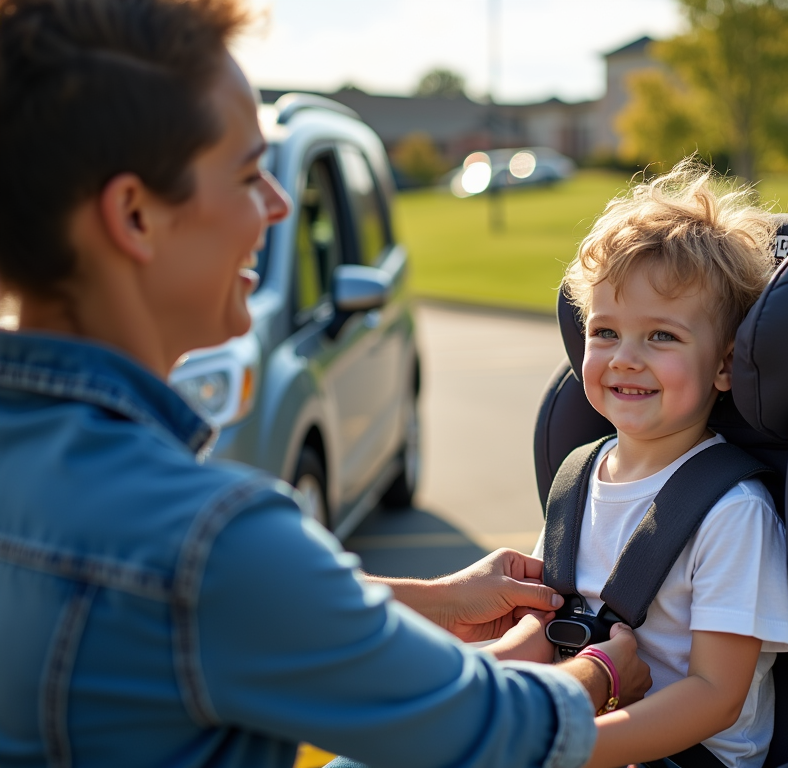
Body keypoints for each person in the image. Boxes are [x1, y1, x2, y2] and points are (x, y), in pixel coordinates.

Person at [0, 1, 651, 766]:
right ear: (135, 216)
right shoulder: (210, 539)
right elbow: (495, 733)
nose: (277, 207)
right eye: (250, 175)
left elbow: (222, 607)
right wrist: (602, 670)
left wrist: (436, 602)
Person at [532, 160, 788, 768]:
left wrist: (562, 747)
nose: (625, 358)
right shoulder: (578, 479)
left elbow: (715, 696)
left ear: (725, 366)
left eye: (662, 337)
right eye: (605, 332)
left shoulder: (733, 515)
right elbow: (547, 624)